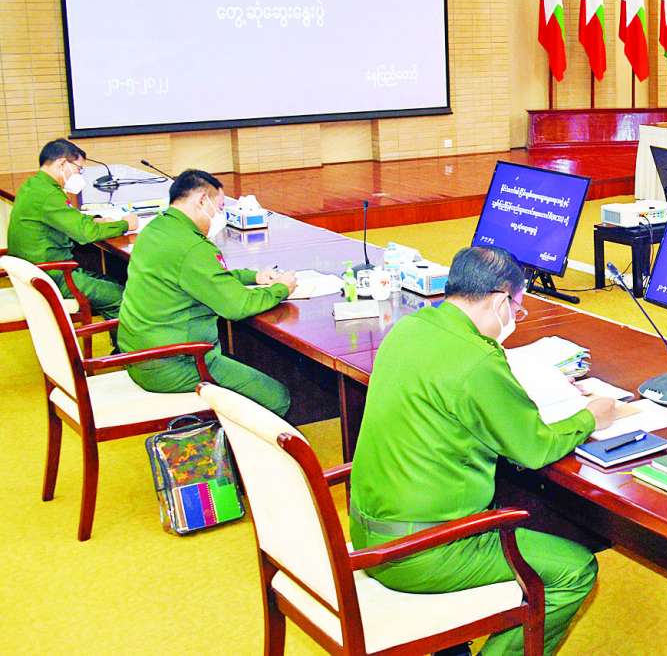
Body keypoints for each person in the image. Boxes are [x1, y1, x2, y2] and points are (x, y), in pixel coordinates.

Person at [351, 246, 615, 656]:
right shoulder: (477, 360)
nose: (514, 318)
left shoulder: (409, 328)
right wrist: (590, 417)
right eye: (518, 308)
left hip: (368, 533)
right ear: (499, 301)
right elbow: (535, 448)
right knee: (575, 570)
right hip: (421, 551)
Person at [116, 169, 297, 415]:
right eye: (219, 207)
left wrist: (253, 277)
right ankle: (227, 440)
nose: (219, 216)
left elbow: (198, 277)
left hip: (140, 355)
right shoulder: (192, 247)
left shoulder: (156, 229)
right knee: (276, 398)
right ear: (202, 200)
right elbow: (237, 306)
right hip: (175, 362)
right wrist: (281, 289)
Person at [6, 139, 137, 318]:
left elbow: (65, 218)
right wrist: (125, 225)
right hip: (52, 276)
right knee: (121, 297)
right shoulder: (49, 194)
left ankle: (116, 334)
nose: (79, 175)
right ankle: (122, 337)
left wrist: (94, 220)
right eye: (78, 169)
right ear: (62, 163)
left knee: (110, 281)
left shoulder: (34, 185)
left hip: (35, 272)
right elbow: (86, 233)